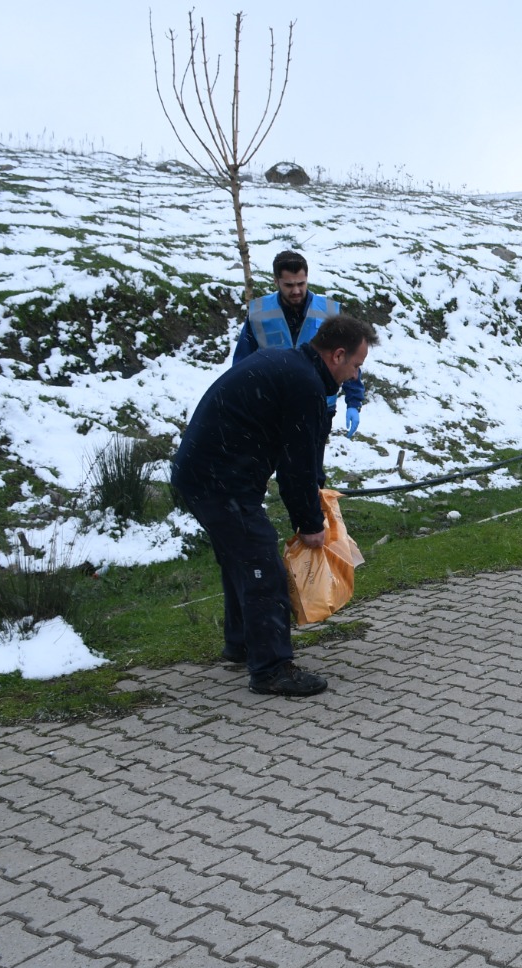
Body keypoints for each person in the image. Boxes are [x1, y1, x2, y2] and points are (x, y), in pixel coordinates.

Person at [173, 314, 376, 696]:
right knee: (261, 564)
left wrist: (315, 492)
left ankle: (243, 643)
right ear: (337, 355)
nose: (354, 376)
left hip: (209, 473)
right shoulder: (302, 384)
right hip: (219, 479)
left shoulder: (293, 367)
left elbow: (303, 451)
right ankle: (271, 669)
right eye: (355, 366)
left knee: (242, 558)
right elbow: (294, 467)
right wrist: (310, 524)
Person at [234, 250, 366, 445]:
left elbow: (347, 360)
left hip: (318, 407)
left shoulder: (329, 312)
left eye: (301, 284)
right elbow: (242, 364)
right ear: (276, 281)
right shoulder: (259, 313)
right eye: (289, 285)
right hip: (273, 408)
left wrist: (353, 401)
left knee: (309, 469)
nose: (296, 290)